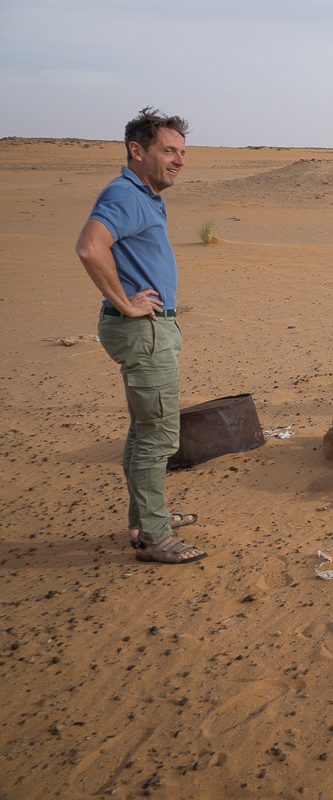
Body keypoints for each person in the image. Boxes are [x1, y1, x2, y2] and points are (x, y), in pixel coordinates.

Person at [75, 107, 207, 564]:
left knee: (143, 430)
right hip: (143, 329)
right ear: (137, 151)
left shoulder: (144, 195)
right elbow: (90, 247)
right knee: (158, 437)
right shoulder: (126, 194)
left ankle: (144, 518)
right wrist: (126, 301)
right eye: (168, 150)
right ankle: (154, 538)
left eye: (182, 153)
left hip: (147, 327)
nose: (179, 160)